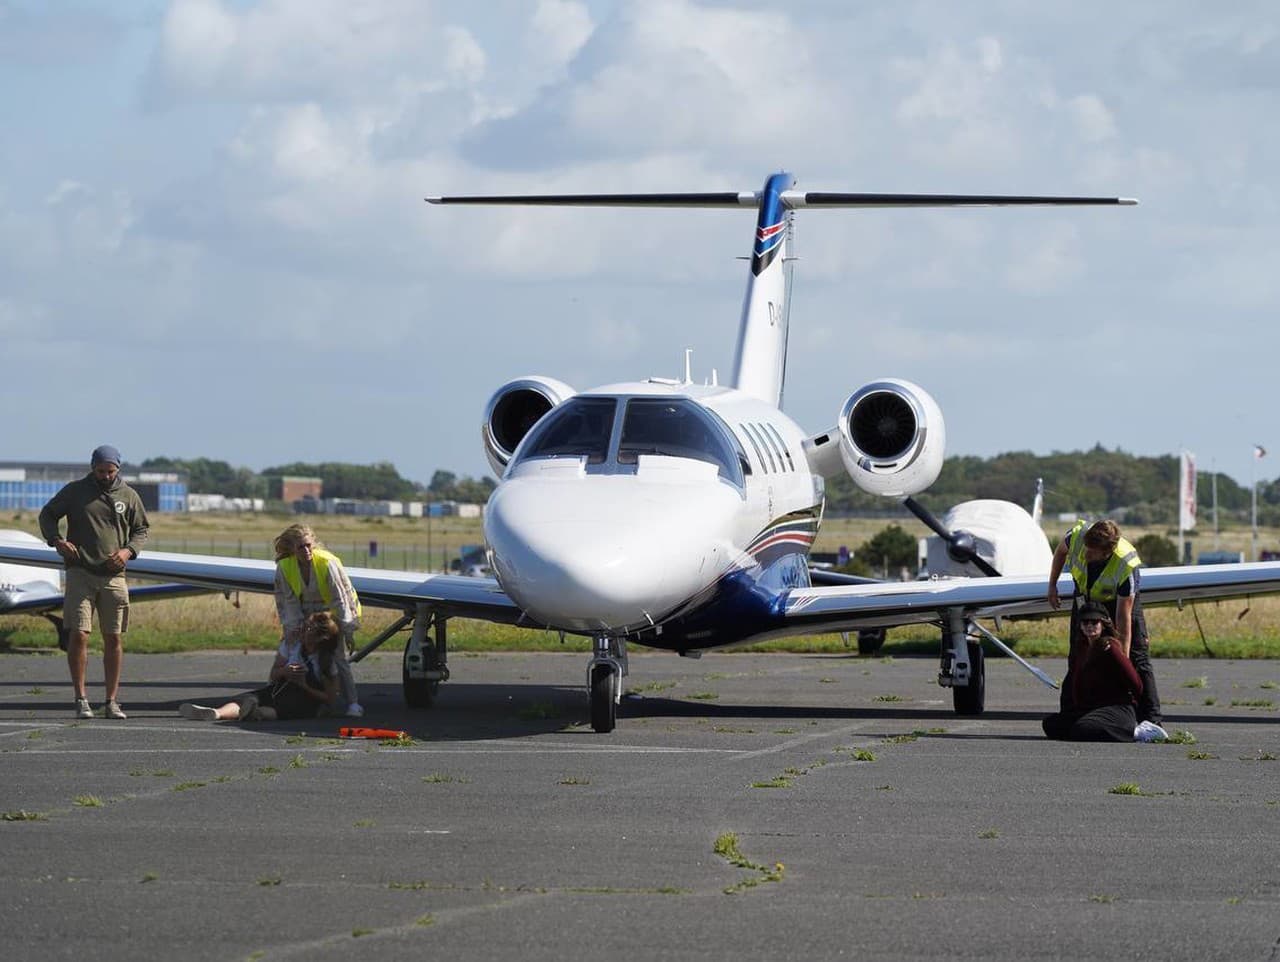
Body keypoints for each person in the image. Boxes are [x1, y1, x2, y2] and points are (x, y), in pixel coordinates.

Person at [38, 445, 150, 720]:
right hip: (80, 573)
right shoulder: (75, 491)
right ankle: (81, 698)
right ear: (92, 467)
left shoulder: (129, 495)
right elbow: (48, 514)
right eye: (100, 471)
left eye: (110, 471)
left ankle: (111, 701)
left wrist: (128, 552)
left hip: (114, 577)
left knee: (113, 637)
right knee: (79, 634)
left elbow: (141, 529)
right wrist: (57, 541)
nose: (105, 476)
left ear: (118, 469)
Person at [1047, 518, 1162, 726]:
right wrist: (1052, 585)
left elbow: (1123, 618)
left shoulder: (1125, 564)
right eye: (1087, 548)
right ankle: (1072, 712)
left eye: (1093, 552)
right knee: (1077, 655)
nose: (1086, 554)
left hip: (1117, 604)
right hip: (1085, 599)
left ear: (1107, 553)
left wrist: (1122, 661)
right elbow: (1060, 553)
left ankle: (1151, 720)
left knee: (1138, 659)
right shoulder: (1077, 537)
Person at [179, 611, 340, 722]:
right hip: (282, 687)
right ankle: (216, 713)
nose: (302, 629)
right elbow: (274, 675)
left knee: (279, 708)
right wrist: (285, 671)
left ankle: (255, 713)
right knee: (250, 697)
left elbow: (330, 698)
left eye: (308, 628)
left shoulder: (326, 662)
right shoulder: (293, 646)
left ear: (320, 638)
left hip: (306, 699)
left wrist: (304, 684)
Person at [272, 524, 363, 717]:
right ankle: (287, 698)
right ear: (292, 549)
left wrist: (346, 630)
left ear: (313, 544)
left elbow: (341, 598)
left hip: (330, 616)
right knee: (293, 651)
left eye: (308, 546)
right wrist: (293, 629)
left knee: (337, 657)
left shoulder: (327, 563)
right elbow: (287, 600)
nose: (306, 551)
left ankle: (353, 703)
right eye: (300, 547)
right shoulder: (285, 567)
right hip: (304, 615)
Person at [1042, 602, 1150, 741]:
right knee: (1052, 724)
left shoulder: (1110, 648)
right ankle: (1088, 726)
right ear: (1080, 625)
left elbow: (1137, 685)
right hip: (1091, 708)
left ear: (1103, 624)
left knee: (1083, 729)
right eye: (1085, 622)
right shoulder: (1081, 648)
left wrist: (1137, 708)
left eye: (1094, 622)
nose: (1089, 626)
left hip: (1116, 708)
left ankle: (1136, 732)